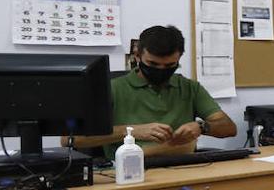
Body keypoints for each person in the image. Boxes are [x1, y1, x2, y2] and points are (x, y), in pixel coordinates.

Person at [69, 24, 236, 158]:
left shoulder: (190, 88)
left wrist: (202, 127)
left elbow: (229, 128)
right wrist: (132, 131)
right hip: (128, 171)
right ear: (137, 55)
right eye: (153, 64)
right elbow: (70, 139)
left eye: (170, 66)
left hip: (183, 168)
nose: (161, 70)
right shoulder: (112, 89)